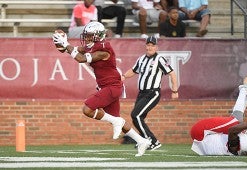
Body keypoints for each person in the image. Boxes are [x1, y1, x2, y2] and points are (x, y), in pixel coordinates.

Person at [52, 21, 151, 157]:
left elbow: (80, 59)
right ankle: (141, 141)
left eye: (89, 35)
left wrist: (65, 44)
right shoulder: (93, 45)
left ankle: (118, 122)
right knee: (115, 119)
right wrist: (62, 43)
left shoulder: (103, 50)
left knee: (87, 109)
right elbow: (73, 50)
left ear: (98, 36)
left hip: (112, 86)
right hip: (108, 86)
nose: (86, 38)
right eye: (86, 35)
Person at [121, 36, 179, 150]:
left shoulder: (160, 59)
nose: (150, 47)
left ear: (156, 47)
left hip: (152, 93)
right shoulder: (141, 58)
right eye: (148, 45)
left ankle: (153, 141)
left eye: (152, 45)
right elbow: (133, 71)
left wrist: (174, 90)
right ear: (145, 46)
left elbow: (172, 73)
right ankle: (144, 140)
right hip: (142, 93)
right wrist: (123, 76)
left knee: (136, 115)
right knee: (137, 117)